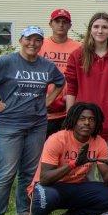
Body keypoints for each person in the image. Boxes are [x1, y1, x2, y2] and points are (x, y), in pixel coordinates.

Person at [0, 25, 66, 215]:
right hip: (9, 125)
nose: (32, 44)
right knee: (6, 173)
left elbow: (60, 82)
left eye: (37, 40)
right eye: (28, 39)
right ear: (21, 40)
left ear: (42, 43)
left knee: (29, 172)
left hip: (36, 125)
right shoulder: (7, 62)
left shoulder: (46, 66)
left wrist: (47, 101)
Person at [64, 12, 108, 215]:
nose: (100, 31)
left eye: (104, 27)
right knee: (85, 170)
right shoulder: (77, 55)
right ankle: (88, 214)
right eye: (96, 27)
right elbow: (71, 88)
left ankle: (106, 213)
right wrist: (70, 118)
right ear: (90, 30)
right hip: (84, 122)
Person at [27, 103, 108, 215]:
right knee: (47, 196)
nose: (87, 123)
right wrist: (74, 164)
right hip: (47, 187)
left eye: (91, 119)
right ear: (73, 120)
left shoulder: (98, 142)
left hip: (74, 188)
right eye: (82, 118)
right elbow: (44, 179)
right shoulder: (57, 139)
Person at [40, 8, 81, 136]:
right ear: (50, 24)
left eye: (65, 22)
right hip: (43, 106)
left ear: (70, 25)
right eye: (57, 21)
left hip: (68, 106)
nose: (61, 25)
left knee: (64, 147)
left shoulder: (78, 47)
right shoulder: (40, 45)